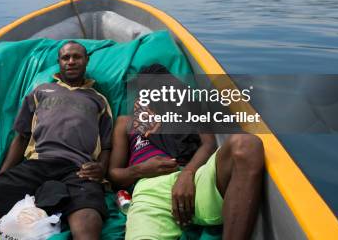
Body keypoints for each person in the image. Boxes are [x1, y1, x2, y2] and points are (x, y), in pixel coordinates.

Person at [0, 41, 113, 240]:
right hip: (37, 164)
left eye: (77, 57)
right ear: (58, 62)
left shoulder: (98, 100)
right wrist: (1, 176)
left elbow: (107, 146)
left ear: (87, 60)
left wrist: (101, 169)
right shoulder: (41, 92)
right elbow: (21, 137)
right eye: (65, 57)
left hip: (78, 170)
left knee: (89, 223)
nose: (71, 61)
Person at [109, 64, 264, 240]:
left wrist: (188, 174)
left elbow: (208, 144)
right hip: (150, 191)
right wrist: (141, 169)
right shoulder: (125, 122)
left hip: (195, 179)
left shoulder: (186, 110)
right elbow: (114, 174)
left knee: (246, 144)